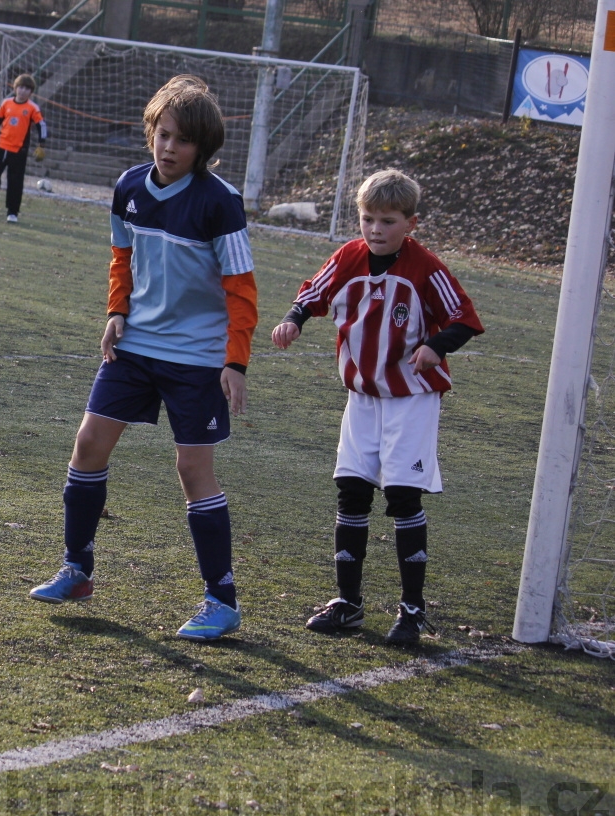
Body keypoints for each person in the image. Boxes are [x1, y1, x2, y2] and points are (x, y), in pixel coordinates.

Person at [27, 75, 258, 641]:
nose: (169, 148)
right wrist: (117, 310)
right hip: (134, 347)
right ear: (151, 131)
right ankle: (77, 570)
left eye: (183, 140)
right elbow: (121, 256)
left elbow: (241, 289)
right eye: (163, 134)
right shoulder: (129, 187)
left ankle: (221, 600)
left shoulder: (219, 202)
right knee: (88, 444)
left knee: (192, 470)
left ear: (203, 148)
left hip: (196, 358)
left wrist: (235, 362)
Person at [271, 168, 484, 645]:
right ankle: (348, 604)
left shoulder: (425, 267)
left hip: (411, 398)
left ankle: (412, 611)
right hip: (363, 397)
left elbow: (464, 319)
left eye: (388, 221)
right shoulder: (349, 256)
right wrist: (293, 320)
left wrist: (436, 346)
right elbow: (312, 293)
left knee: (403, 495)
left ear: (411, 224)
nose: (376, 229)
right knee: (351, 489)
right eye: (368, 219)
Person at [0, 74, 46, 224]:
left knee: (15, 181)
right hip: (1, 147)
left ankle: (12, 212)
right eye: (21, 87)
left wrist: (41, 144)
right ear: (15, 88)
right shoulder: (6, 103)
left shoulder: (32, 108)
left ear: (31, 92)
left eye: (27, 88)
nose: (23, 91)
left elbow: (41, 125)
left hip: (19, 150)